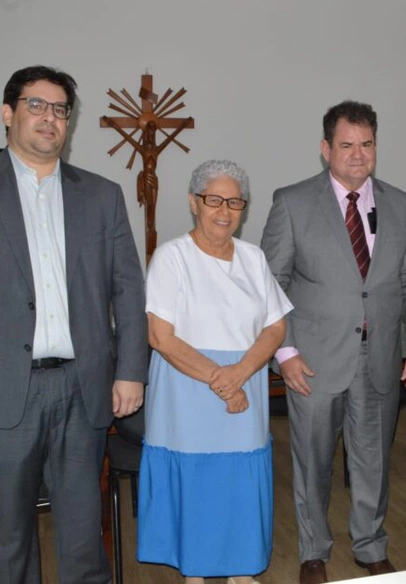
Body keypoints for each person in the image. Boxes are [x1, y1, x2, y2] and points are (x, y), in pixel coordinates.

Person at [0, 65, 148, 583]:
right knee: (9, 535)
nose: (50, 118)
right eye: (36, 105)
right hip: (0, 388)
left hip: (82, 386)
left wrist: (131, 370)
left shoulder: (102, 195)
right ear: (9, 113)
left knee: (84, 532)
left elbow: (128, 291)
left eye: (61, 109)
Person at [260, 101, 406, 583]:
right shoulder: (292, 202)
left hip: (380, 356)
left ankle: (370, 545)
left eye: (367, 144)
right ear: (325, 149)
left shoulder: (401, 204)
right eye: (346, 145)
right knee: (312, 462)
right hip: (312, 360)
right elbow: (270, 283)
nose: (358, 155)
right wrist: (286, 351)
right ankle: (313, 550)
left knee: (373, 460)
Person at [137, 160, 292, 584]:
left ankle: (242, 569)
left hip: (245, 381)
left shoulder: (254, 257)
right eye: (213, 200)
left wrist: (240, 372)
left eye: (235, 202)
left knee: (240, 479)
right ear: (193, 202)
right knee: (196, 481)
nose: (224, 211)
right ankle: (196, 571)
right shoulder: (171, 257)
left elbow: (276, 325)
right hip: (188, 385)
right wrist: (222, 380)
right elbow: (160, 337)